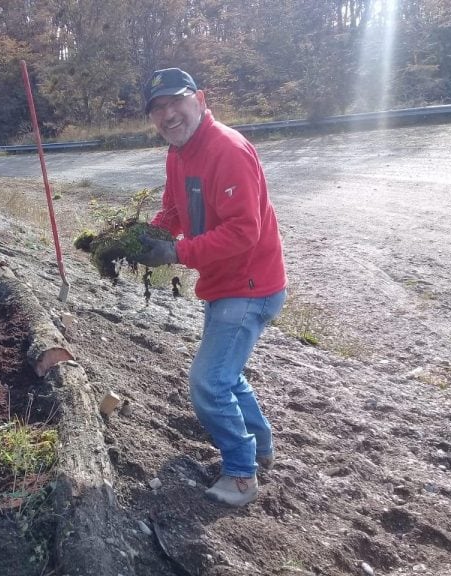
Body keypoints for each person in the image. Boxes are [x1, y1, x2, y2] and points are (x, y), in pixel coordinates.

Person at [134, 68, 287, 507]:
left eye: (175, 102)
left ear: (199, 99)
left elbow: (244, 231)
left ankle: (241, 475)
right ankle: (260, 448)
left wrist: (176, 254)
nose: (168, 114)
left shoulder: (227, 149)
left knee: (208, 382)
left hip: (250, 286)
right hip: (223, 283)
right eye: (157, 108)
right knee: (226, 374)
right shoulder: (178, 153)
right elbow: (172, 210)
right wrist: (149, 235)